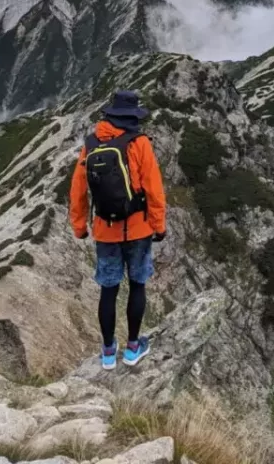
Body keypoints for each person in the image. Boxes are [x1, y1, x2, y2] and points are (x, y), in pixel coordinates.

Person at [70, 90, 166, 370]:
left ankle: (109, 352)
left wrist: (79, 226)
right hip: (138, 229)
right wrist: (159, 225)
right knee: (137, 285)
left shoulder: (90, 144)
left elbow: (78, 190)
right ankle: (134, 348)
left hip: (104, 230)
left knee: (108, 291)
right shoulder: (140, 144)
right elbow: (154, 189)